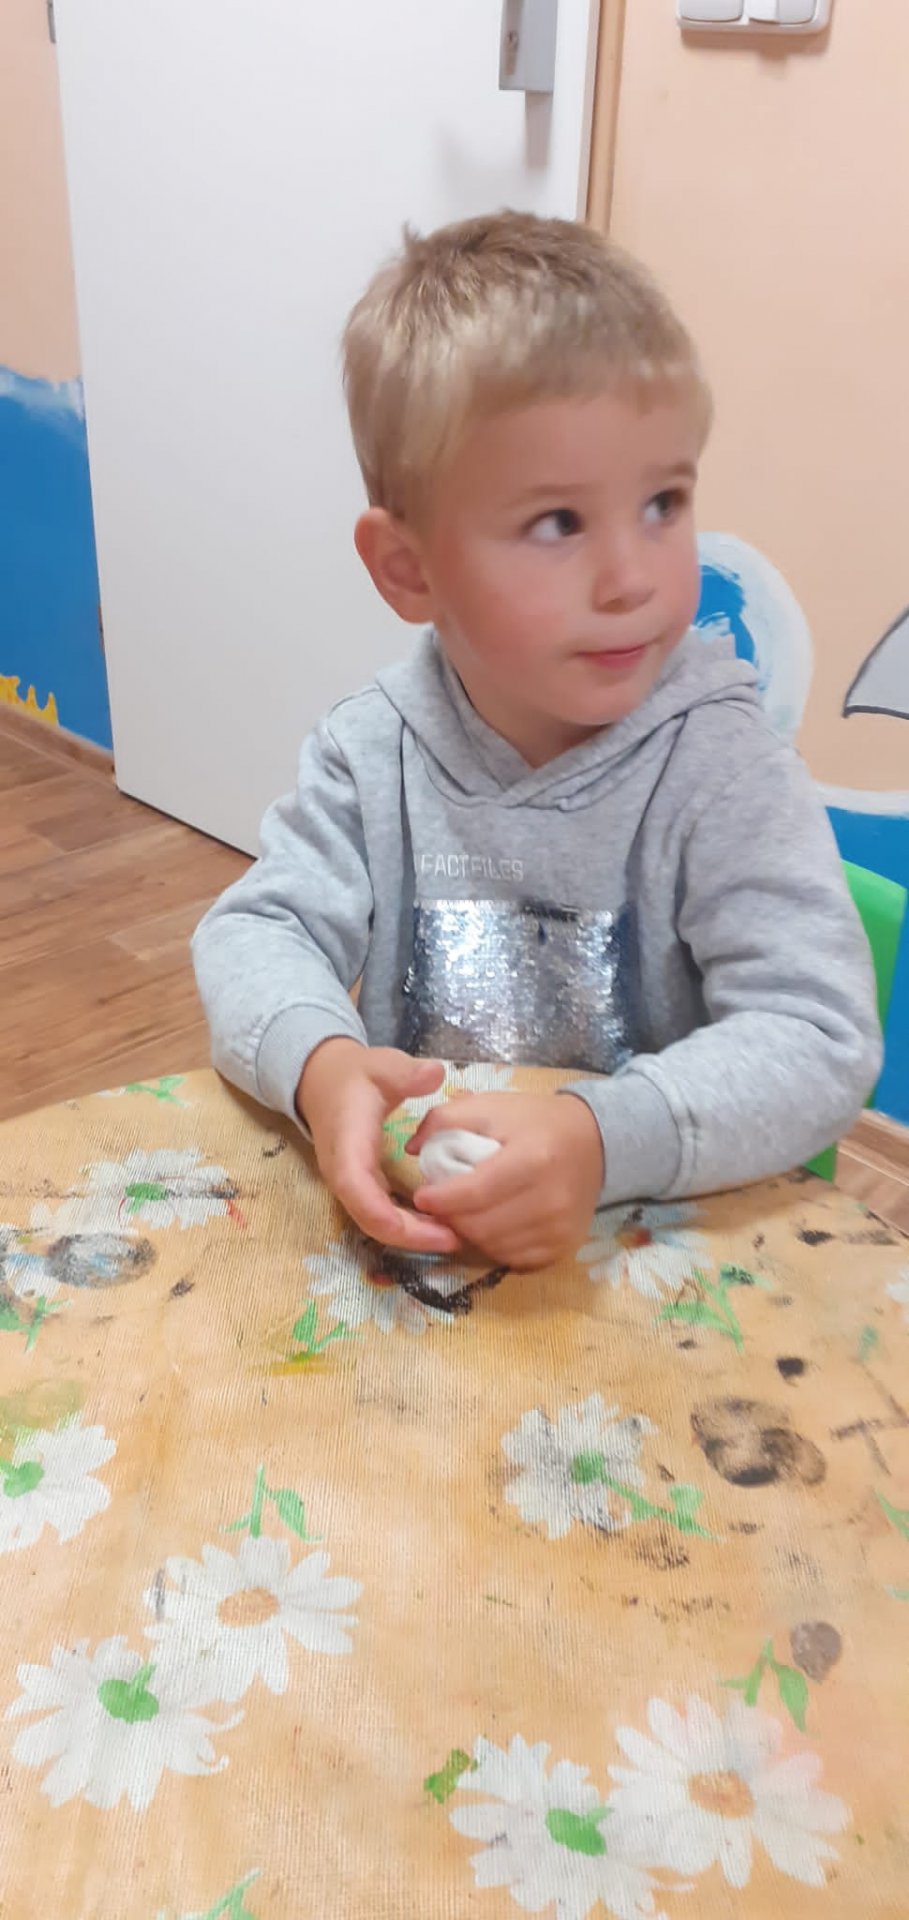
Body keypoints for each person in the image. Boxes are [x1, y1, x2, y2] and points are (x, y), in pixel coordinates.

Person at [193, 211, 881, 1271]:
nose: (632, 578)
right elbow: (256, 932)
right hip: (422, 1250)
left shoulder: (722, 768)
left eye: (663, 502)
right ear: (410, 571)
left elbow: (817, 1038)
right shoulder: (370, 753)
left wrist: (601, 1139)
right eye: (559, 523)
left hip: (648, 1260)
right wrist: (321, 1065)